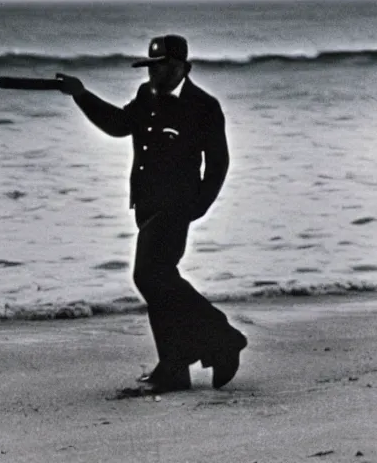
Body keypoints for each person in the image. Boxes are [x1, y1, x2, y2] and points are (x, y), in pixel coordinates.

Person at [56, 34, 247, 393]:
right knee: (158, 280)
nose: (154, 74)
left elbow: (218, 163)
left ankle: (222, 337)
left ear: (182, 68)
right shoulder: (146, 97)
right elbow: (117, 124)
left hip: (177, 207)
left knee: (148, 275)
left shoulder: (204, 106)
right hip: (146, 205)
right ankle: (176, 367)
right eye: (151, 67)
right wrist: (80, 94)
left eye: (161, 67)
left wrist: (198, 205)